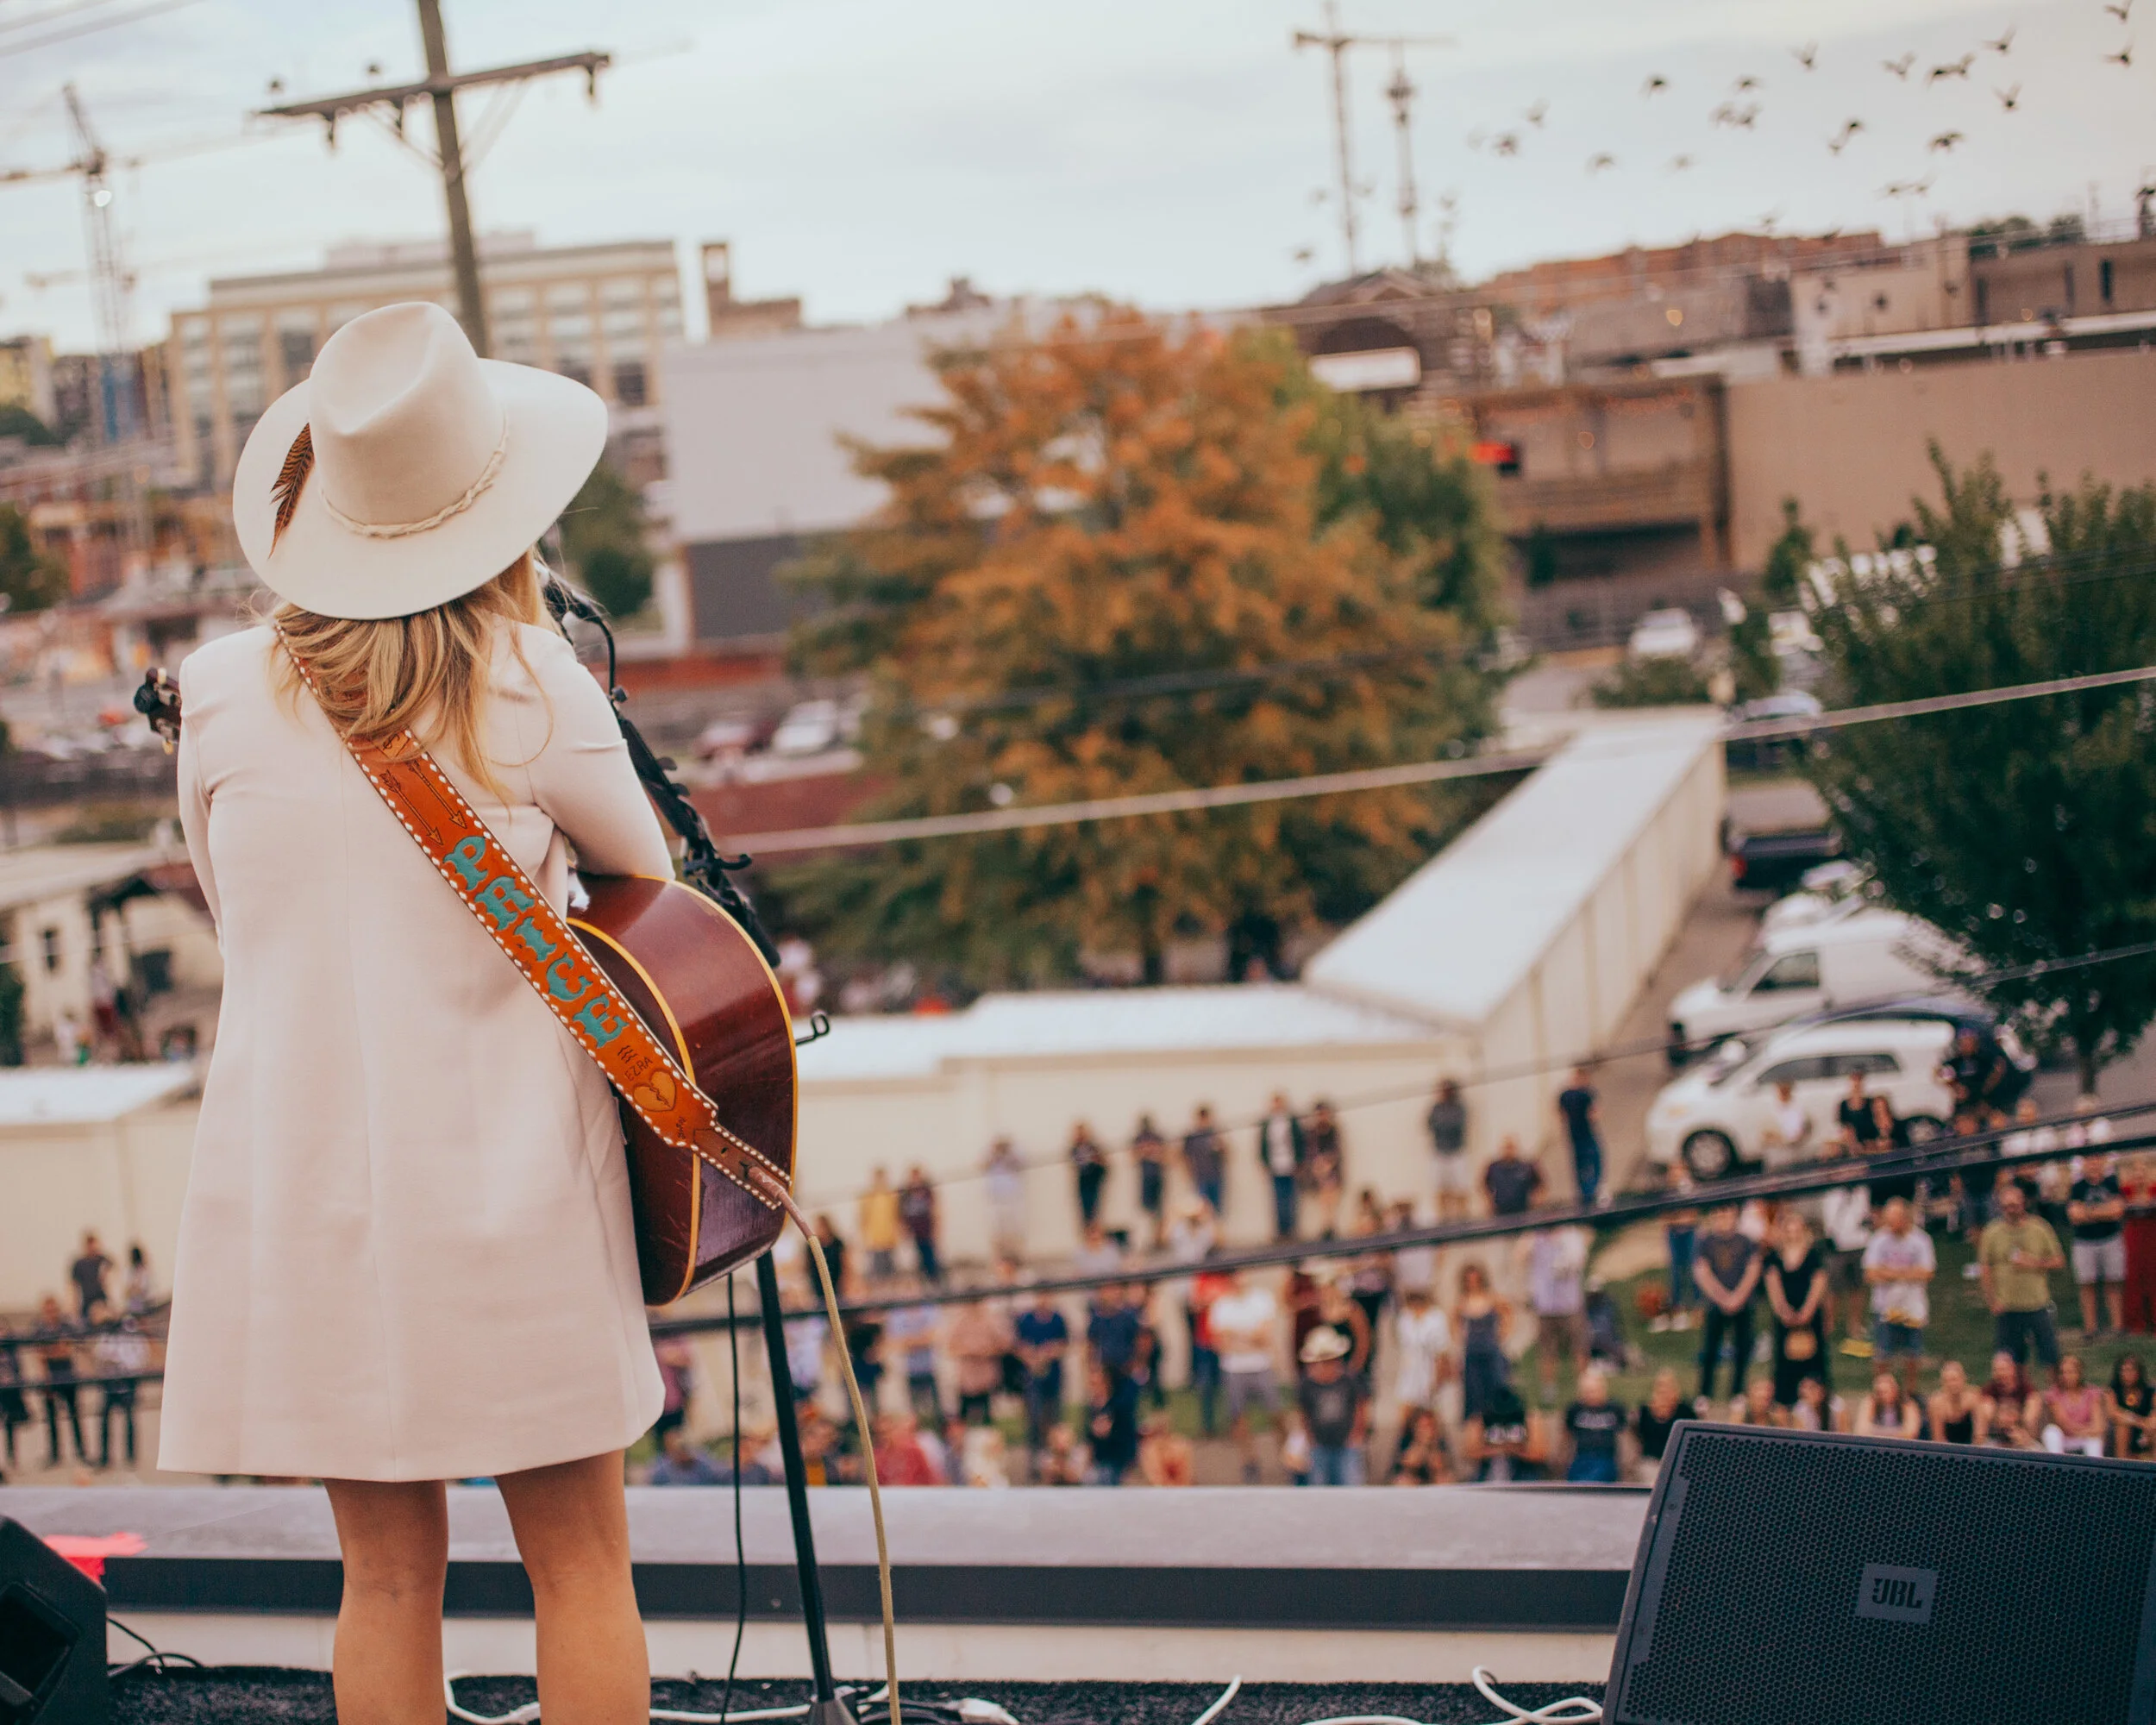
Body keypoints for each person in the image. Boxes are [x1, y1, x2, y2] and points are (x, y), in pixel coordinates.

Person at [1979, 1181, 2065, 1370]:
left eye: (2014, 1206)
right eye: (2006, 1207)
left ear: (2023, 1204)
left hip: (2038, 1304)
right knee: (2012, 1362)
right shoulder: (1992, 1232)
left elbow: (2058, 1261)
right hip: (2008, 1307)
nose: (2011, 1210)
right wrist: (1992, 1300)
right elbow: (1985, 1269)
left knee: (2050, 1358)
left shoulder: (2040, 1228)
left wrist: (2034, 1262)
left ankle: (2053, 1394)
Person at [1209, 1267, 1282, 1483]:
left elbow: (1264, 1337)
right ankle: (1249, 1461)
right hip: (1234, 1368)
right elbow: (1221, 1344)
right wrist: (1249, 1336)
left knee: (1276, 1413)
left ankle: (1287, 1455)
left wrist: (1235, 1333)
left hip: (1261, 1364)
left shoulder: (1262, 1299)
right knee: (1239, 1418)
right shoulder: (1221, 1306)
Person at [1861, 1197, 1935, 1393]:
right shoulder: (1878, 1240)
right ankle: (1881, 1393)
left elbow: (1927, 1273)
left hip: (1912, 1306)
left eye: (1893, 1220)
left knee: (1912, 1353)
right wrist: (1907, 1273)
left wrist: (1889, 1272)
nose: (1890, 1225)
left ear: (1905, 1218)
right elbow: (1870, 1274)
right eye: (1888, 1220)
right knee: (1882, 1353)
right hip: (1884, 1305)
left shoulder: (1921, 1240)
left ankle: (1910, 1393)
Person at [1693, 1204, 1762, 1406]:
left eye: (1728, 1214)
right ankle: (1705, 1393)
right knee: (1710, 1348)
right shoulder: (1706, 1242)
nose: (1723, 1217)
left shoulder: (1746, 1241)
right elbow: (1702, 1272)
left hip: (1743, 1303)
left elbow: (1753, 1269)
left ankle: (1737, 1392)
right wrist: (1722, 1297)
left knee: (1743, 1347)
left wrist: (1738, 1297)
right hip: (1716, 1304)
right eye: (1720, 1213)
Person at [1764, 1208, 1831, 1410]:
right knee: (1784, 1360)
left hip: (1810, 1315)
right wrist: (1784, 1311)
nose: (1793, 1234)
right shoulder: (1775, 1257)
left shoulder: (1814, 1254)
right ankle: (1786, 1401)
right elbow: (1773, 1284)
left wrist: (1806, 1312)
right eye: (1789, 1230)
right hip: (1785, 1317)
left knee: (1815, 1358)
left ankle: (1819, 1402)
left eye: (1796, 1230)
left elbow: (1819, 1282)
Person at [1293, 1327, 1369, 1485]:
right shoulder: (1307, 1385)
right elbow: (1303, 1413)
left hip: (1346, 1445)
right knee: (1319, 1489)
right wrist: (1310, 1439)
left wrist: (1356, 1435)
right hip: (1320, 1445)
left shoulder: (1349, 1380)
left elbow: (1360, 1407)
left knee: (1350, 1485)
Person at [2068, 1151, 2127, 1339]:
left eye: (2097, 1160)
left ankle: (2117, 1327)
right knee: (2087, 1285)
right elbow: (2074, 1215)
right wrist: (2103, 1211)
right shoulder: (2077, 1187)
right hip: (2084, 1242)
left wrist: (2089, 1212)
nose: (2093, 1164)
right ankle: (2090, 1329)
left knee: (2113, 1283)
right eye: (2089, 1160)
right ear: (2084, 1164)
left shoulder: (2111, 1183)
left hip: (2110, 1238)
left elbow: (2117, 1210)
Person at [1527, 1226, 1589, 1401]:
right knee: (1547, 1350)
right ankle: (1549, 1388)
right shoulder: (1535, 1236)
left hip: (1570, 1304)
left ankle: (1584, 1386)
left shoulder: (1572, 1235)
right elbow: (1520, 1257)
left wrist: (1566, 1262)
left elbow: (1580, 1260)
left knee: (1579, 1346)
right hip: (1546, 1305)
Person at [1012, 1289, 1070, 1462]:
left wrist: (1051, 1352)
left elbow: (1065, 1343)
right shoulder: (1026, 1320)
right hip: (1033, 1378)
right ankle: (1035, 1460)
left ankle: (1057, 1459)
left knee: (1054, 1419)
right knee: (1034, 1420)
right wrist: (1031, 1357)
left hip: (1053, 1377)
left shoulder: (1058, 1319)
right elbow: (1018, 1345)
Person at [1453, 1260, 1512, 1423]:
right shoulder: (1462, 1301)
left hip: (1491, 1351)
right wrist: (1459, 1340)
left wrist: (1503, 1332)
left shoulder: (1492, 1298)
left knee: (1496, 1387)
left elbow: (1508, 1312)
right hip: (1472, 1353)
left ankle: (1498, 1422)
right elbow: (1454, 1324)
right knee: (1474, 1394)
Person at [1388, 1285, 1453, 1430]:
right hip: (1409, 1372)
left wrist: (1437, 1379)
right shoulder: (1404, 1317)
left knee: (1430, 1418)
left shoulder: (1436, 1317)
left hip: (1429, 1371)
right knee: (1405, 1416)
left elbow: (1441, 1351)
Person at [1461, 1381, 1550, 1482]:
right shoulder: (1483, 1418)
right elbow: (1469, 1452)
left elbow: (1540, 1453)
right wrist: (1497, 1449)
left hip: (1523, 1472)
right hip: (1489, 1471)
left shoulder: (1528, 1418)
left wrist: (1515, 1449)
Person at [34, 1295, 85, 1467]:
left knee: (75, 1416)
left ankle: (81, 1453)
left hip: (68, 1376)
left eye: (54, 1309)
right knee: (51, 1420)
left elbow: (68, 1350)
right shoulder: (39, 1328)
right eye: (48, 1310)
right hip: (50, 1378)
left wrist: (49, 1351)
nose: (51, 1313)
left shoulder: (66, 1325)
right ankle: (55, 1455)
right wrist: (56, 1350)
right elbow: (38, 1355)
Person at [93, 1316, 151, 1469]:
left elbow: (142, 1357)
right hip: (109, 1381)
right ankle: (105, 1457)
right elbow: (99, 1354)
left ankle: (130, 1457)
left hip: (127, 1381)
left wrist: (124, 1364)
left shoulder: (133, 1336)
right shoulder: (107, 1336)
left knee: (129, 1419)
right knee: (105, 1420)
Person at [946, 1302, 1008, 1427]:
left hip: (986, 1378)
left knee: (988, 1421)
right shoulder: (960, 1321)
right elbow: (950, 1348)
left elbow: (1004, 1345)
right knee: (962, 1420)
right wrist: (969, 1351)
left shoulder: (991, 1320)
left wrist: (986, 1351)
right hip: (967, 1379)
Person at [1563, 1367, 1626, 1483]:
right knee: (1574, 1478)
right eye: (1587, 1391)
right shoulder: (1575, 1409)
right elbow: (1566, 1435)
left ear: (1603, 1390)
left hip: (1606, 1457)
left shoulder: (1615, 1408)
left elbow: (1625, 1435)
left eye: (1595, 1390)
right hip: (1581, 1456)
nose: (1591, 1395)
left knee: (1598, 1475)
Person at [1081, 1361, 1140, 1485]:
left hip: (1117, 1461)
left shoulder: (1117, 1406)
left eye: (1095, 1383)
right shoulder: (1092, 1408)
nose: (1092, 1387)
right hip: (1101, 1461)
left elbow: (1122, 1438)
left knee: (1103, 1476)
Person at [1258, 1094, 1306, 1240]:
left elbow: (1299, 1141)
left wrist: (1299, 1162)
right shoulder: (1268, 1123)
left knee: (1291, 1198)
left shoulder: (1291, 1121)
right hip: (1275, 1166)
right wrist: (1264, 1163)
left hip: (1290, 1165)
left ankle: (1292, 1230)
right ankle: (1281, 1231)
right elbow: (1263, 1144)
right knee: (1278, 1199)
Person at [1556, 1067, 1604, 1207]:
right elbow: (1594, 1114)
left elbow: (1560, 1114)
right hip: (1586, 1135)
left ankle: (1585, 1194)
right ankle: (1590, 1193)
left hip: (1574, 1135)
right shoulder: (1586, 1094)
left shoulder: (1565, 1094)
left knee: (1580, 1166)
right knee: (1593, 1163)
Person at [2040, 1355, 2108, 1456]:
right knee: (2050, 1431)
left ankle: (2095, 1469)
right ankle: (2058, 1467)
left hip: (2085, 1437)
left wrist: (2085, 1432)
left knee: (2095, 1440)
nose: (2066, 1376)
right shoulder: (2054, 1394)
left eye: (2070, 1372)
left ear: (2079, 1373)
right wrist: (2088, 1429)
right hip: (2065, 1438)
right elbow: (2064, 1424)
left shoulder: (2091, 1393)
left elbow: (2099, 1426)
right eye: (2063, 1372)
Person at [1427, 1078, 1471, 1221]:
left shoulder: (1459, 1108)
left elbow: (1457, 1126)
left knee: (1461, 1186)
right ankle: (1442, 1218)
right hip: (1439, 1151)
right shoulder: (1436, 1108)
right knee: (1440, 1188)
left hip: (1456, 1151)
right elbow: (1430, 1124)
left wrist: (1445, 1126)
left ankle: (1462, 1216)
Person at [1978, 1352, 2040, 1449]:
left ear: (2012, 1369)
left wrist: (2021, 1429)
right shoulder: (1989, 1389)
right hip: (1997, 1433)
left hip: (2022, 1430)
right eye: (1996, 1370)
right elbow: (1987, 1414)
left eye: (2003, 1369)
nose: (2000, 1374)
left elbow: (2032, 1410)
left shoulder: (2026, 1388)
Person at [1632, 1369, 1685, 1480]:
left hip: (1678, 1461)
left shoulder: (1684, 1411)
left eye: (1668, 1386)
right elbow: (1638, 1435)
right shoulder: (1645, 1411)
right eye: (1660, 1386)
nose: (1664, 1390)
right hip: (1651, 1461)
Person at [871, 1413, 946, 1487]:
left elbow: (931, 1480)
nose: (884, 1437)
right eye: (880, 1434)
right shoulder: (877, 1456)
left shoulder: (914, 1452)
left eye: (887, 1432)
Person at [983, 1138, 1027, 1262]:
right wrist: (994, 1154)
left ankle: (1019, 1259)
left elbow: (1021, 1163)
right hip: (995, 1198)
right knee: (997, 1231)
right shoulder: (990, 1153)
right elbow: (982, 1165)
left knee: (1016, 1230)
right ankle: (999, 1260)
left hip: (1013, 1197)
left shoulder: (1014, 1152)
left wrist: (1007, 1153)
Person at [1131, 1115, 1169, 1248]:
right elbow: (1133, 1158)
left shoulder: (1157, 1137)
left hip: (1157, 1177)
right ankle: (1148, 1239)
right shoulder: (1138, 1139)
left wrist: (1154, 1152)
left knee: (1160, 1211)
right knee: (1147, 1211)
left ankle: (1159, 1239)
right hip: (1145, 1179)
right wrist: (1144, 1152)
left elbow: (1166, 1156)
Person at [1482, 1135, 1543, 1220]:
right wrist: (1488, 1202)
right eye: (1507, 1148)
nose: (1509, 1151)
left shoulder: (1525, 1167)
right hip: (1500, 1212)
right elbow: (1484, 1185)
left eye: (1511, 1147)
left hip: (1523, 1211)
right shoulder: (1494, 1168)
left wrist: (1536, 1200)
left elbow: (1540, 1185)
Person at [1181, 1106, 1225, 1220]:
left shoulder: (1214, 1134)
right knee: (1200, 1208)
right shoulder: (1192, 1136)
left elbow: (1226, 1152)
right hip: (1200, 1176)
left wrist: (1219, 1144)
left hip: (1216, 1175)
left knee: (1217, 1208)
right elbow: (1184, 1156)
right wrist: (1188, 1173)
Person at [861, 1167, 903, 1283]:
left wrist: (898, 1234)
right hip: (875, 1241)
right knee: (878, 1272)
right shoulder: (868, 1197)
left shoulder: (891, 1195)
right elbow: (863, 1220)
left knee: (891, 1271)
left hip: (890, 1239)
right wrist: (865, 1238)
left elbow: (897, 1216)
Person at [899, 1166, 941, 1284]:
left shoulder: (927, 1191)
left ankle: (934, 1281)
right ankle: (923, 1281)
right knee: (918, 1258)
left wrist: (937, 1227)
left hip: (927, 1230)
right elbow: (902, 1214)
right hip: (915, 1232)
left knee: (931, 1257)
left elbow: (935, 1209)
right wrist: (904, 1230)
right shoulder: (906, 1194)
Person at [1391, 1406, 1453, 1485]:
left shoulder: (1441, 1445)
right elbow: (1396, 1474)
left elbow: (1451, 1472)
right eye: (1424, 1427)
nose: (1429, 1431)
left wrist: (1440, 1467)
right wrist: (1409, 1467)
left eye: (1431, 1426)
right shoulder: (1406, 1444)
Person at [1853, 1369, 1922, 1440]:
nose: (1881, 1396)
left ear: (1895, 1390)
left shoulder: (1907, 1404)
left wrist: (1876, 1432)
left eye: (1885, 1392)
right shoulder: (1870, 1402)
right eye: (1878, 1392)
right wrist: (1896, 1433)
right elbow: (1861, 1430)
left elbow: (1910, 1433)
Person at [647, 1427, 728, 1486]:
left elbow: (718, 1476)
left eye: (684, 1448)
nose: (682, 1453)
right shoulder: (662, 1468)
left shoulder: (702, 1464)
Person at [1928, 1359, 1984, 1445]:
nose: (1952, 1384)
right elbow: (1938, 1438)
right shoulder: (1936, 1403)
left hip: (1971, 1446)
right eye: (1947, 1381)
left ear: (1963, 1379)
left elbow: (1980, 1433)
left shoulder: (1973, 1397)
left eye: (1955, 1380)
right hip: (1947, 1448)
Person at [2109, 1356, 2153, 1460]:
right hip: (2119, 1433)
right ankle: (2122, 1468)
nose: (2127, 1375)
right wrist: (2140, 1422)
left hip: (2147, 1432)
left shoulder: (2150, 1391)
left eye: (2130, 1370)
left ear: (2139, 1372)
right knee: (2123, 1427)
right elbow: (2114, 1413)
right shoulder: (2113, 1391)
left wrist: (2148, 1424)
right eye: (2123, 1371)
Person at [1069, 1120, 1109, 1230]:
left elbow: (1104, 1163)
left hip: (1094, 1180)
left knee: (1095, 1210)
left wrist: (1095, 1161)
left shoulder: (1093, 1146)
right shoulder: (1074, 1149)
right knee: (1085, 1212)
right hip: (1083, 1182)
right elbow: (1074, 1165)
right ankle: (1087, 1231)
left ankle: (1095, 1231)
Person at [1138, 1414, 1194, 1487]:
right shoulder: (1150, 1448)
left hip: (1174, 1487)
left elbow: (1184, 1476)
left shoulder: (1180, 1445)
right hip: (1170, 1487)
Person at [69, 1232, 112, 1320]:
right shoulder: (79, 1264)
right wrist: (74, 1307)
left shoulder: (101, 1260)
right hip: (87, 1300)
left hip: (101, 1299)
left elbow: (113, 1268)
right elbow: (74, 1286)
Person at [122, 1244, 152, 1316]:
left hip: (143, 1304)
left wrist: (134, 1289)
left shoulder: (144, 1271)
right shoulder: (129, 1271)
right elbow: (126, 1291)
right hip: (133, 1304)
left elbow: (143, 1289)